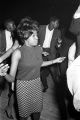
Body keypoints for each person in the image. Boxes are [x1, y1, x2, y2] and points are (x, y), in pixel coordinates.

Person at [1, 17, 65, 120]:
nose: (37, 37)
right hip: (23, 86)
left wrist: (54, 61)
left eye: (37, 35)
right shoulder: (18, 53)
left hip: (36, 83)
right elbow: (12, 78)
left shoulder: (39, 49)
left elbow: (39, 64)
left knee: (37, 111)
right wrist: (4, 74)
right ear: (25, 36)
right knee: (24, 115)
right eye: (34, 35)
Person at [0, 19, 19, 119]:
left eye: (14, 24)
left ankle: (9, 106)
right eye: (12, 25)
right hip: (2, 62)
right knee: (1, 82)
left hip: (11, 61)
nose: (14, 26)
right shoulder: (0, 34)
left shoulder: (14, 34)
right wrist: (9, 52)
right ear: (6, 26)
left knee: (12, 83)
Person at [38, 16, 62, 92]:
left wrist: (59, 43)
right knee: (40, 70)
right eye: (57, 23)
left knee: (53, 71)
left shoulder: (58, 32)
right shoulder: (41, 28)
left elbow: (58, 47)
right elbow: (36, 39)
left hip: (51, 52)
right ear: (52, 22)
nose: (58, 24)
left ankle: (59, 89)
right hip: (41, 51)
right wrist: (39, 49)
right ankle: (45, 86)